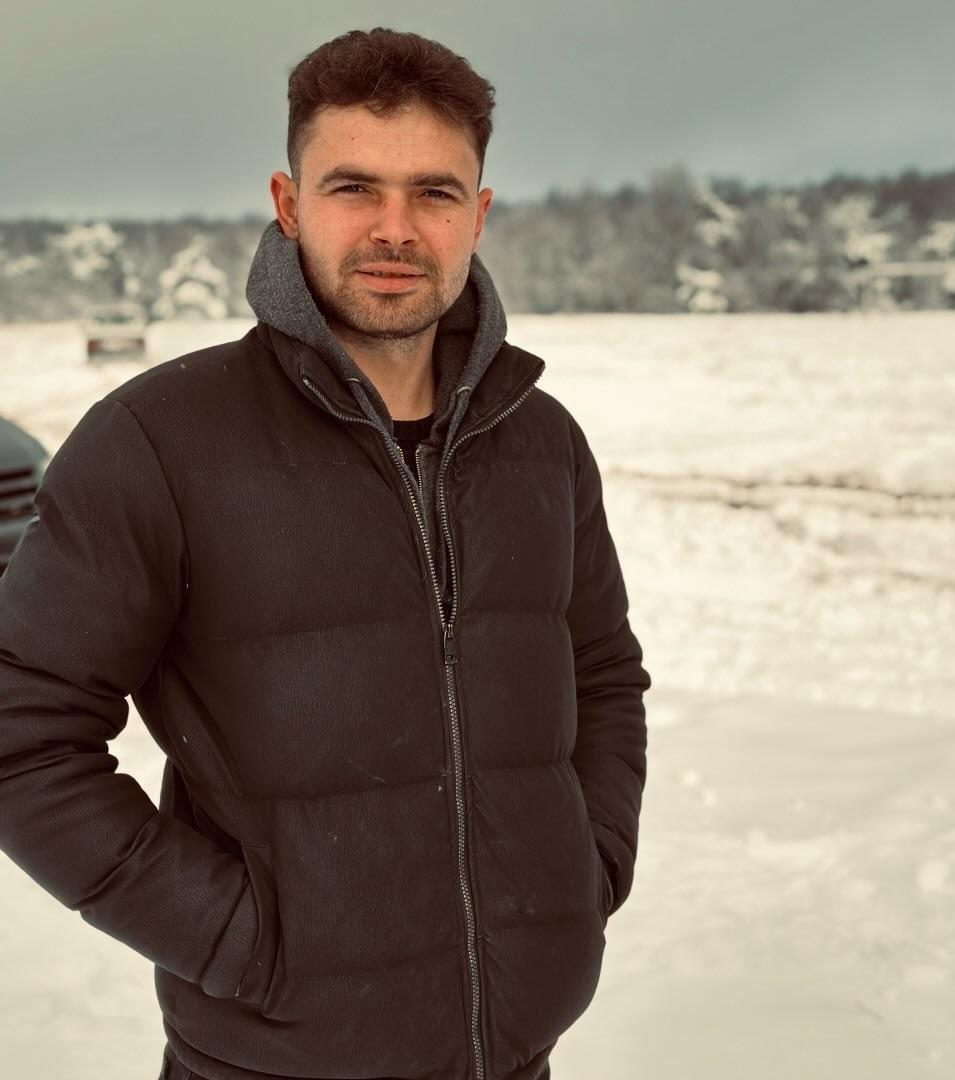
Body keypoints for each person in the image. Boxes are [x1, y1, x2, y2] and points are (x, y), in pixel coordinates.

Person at [0, 27, 650, 1080]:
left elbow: (604, 674)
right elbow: (21, 734)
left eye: (434, 192)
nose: (396, 228)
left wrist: (589, 868)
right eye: (354, 187)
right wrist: (238, 942)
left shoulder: (540, 442)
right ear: (289, 202)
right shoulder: (159, 441)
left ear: (478, 214)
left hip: (515, 1053)